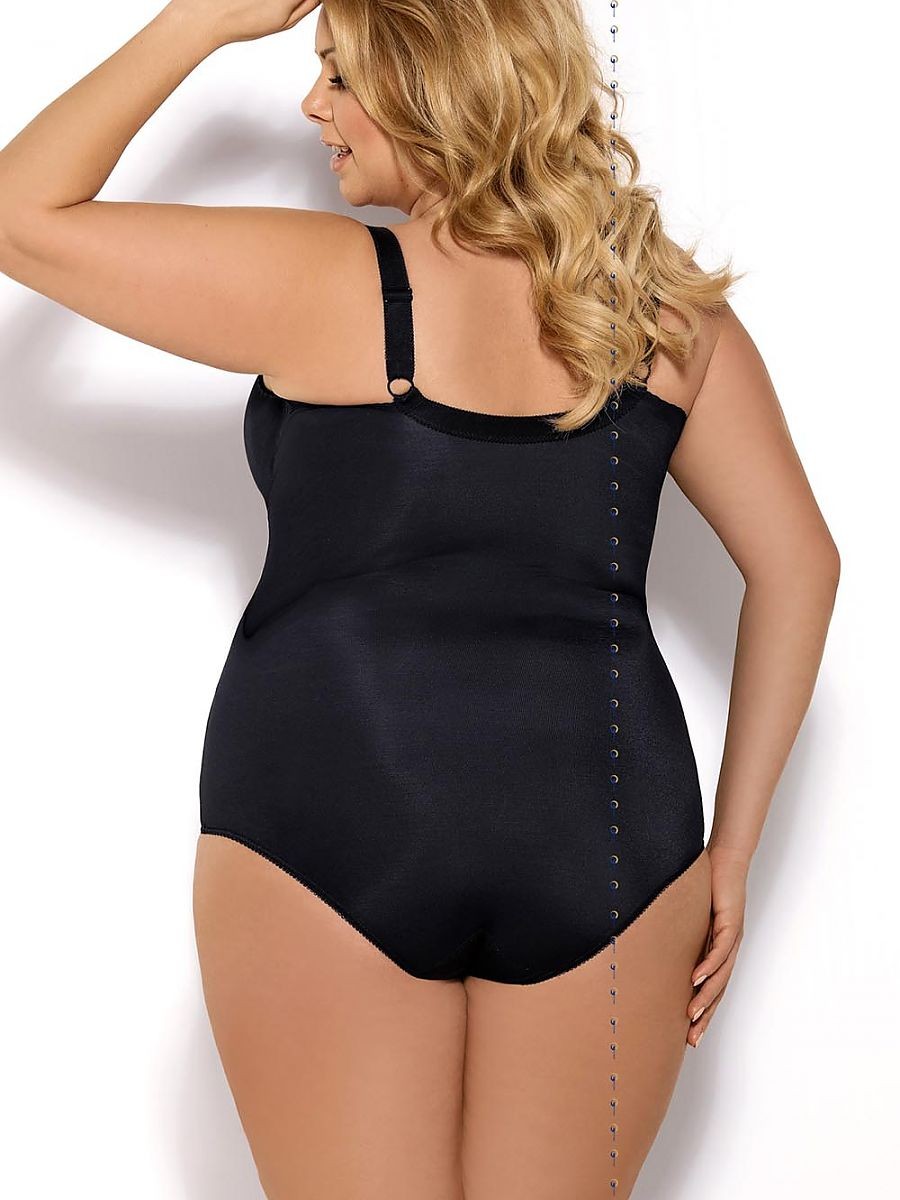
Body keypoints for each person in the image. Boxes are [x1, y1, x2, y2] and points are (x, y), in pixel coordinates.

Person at [0, 1, 840, 1196]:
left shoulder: (320, 279)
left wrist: (199, 21)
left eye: (339, 75)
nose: (313, 107)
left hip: (336, 810)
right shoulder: (660, 310)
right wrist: (733, 855)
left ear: (430, 84)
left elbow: (17, 213)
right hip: (614, 833)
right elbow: (801, 563)